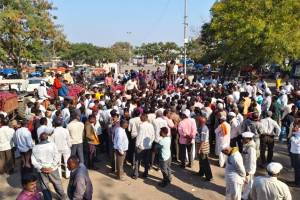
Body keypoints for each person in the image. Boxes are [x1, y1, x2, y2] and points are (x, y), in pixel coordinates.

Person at [31, 132, 67, 200]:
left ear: (39, 139)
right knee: (57, 183)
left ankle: (48, 198)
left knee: (44, 185)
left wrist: (41, 168)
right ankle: (62, 197)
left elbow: (33, 161)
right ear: (47, 138)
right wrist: (52, 166)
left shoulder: (35, 147)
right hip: (53, 169)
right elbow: (57, 156)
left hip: (42, 170)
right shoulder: (52, 145)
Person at [133, 113, 155, 179]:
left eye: (141, 117)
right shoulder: (150, 125)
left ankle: (136, 174)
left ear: (144, 118)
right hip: (148, 146)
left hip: (141, 146)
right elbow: (153, 136)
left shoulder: (141, 126)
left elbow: (139, 136)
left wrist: (136, 145)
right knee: (146, 160)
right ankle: (145, 173)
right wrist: (150, 143)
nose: (140, 118)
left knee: (137, 160)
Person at [196, 116, 213, 181]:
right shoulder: (201, 127)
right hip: (200, 145)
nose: (197, 122)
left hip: (203, 147)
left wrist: (199, 149)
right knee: (201, 161)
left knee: (205, 162)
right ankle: (201, 172)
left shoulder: (204, 129)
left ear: (201, 122)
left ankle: (209, 176)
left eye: (199, 121)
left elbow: (202, 140)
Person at [241, 132, 256, 200]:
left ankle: (244, 197)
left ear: (248, 139)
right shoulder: (247, 145)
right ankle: (245, 194)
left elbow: (252, 161)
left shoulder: (251, 148)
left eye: (244, 139)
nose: (242, 140)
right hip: (245, 167)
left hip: (249, 169)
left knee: (248, 183)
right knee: (246, 183)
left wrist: (248, 171)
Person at [290, 119, 300, 187]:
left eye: (295, 124)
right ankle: (296, 181)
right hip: (294, 151)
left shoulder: (299, 132)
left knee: (297, 168)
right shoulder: (297, 131)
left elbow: (297, 142)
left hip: (297, 151)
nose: (294, 126)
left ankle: (297, 183)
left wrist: (292, 138)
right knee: (296, 167)